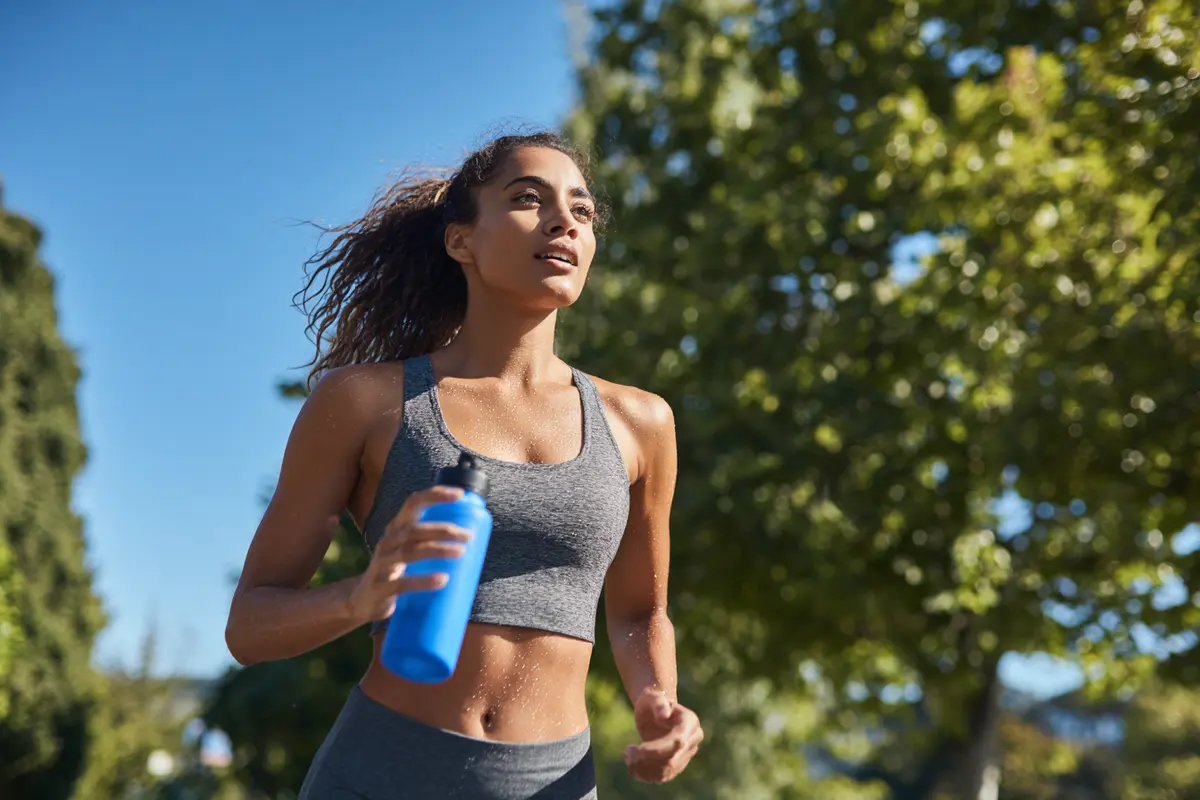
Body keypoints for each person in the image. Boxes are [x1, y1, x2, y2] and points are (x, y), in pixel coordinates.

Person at [224, 131, 703, 799]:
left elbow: (638, 613)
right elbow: (249, 626)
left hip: (552, 784)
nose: (564, 221)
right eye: (528, 198)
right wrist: (361, 597)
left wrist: (659, 702)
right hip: (380, 772)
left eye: (583, 210)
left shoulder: (641, 424)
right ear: (462, 241)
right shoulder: (367, 402)